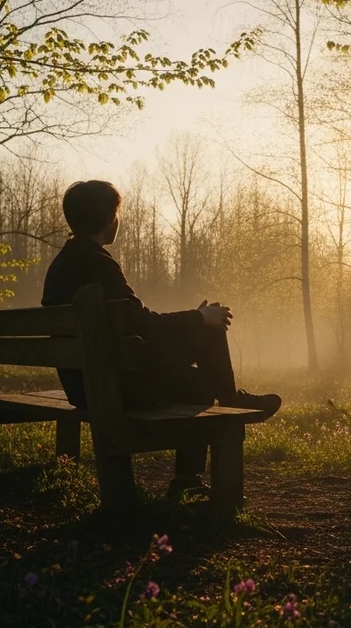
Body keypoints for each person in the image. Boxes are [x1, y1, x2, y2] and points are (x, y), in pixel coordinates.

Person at [41, 180, 282, 499]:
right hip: (117, 387)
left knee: (198, 383)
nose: (117, 220)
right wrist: (198, 320)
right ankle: (230, 401)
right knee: (208, 330)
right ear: (108, 219)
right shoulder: (100, 265)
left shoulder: (61, 266)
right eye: (116, 213)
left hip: (83, 386)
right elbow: (145, 323)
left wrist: (191, 322)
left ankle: (189, 478)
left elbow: (134, 326)